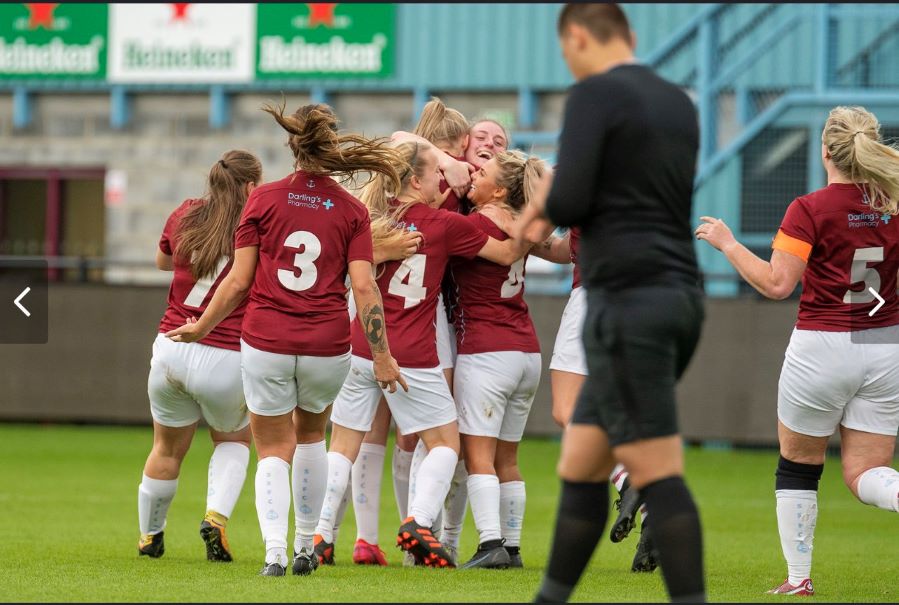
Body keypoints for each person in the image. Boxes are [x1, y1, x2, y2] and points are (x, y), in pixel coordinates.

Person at [514, 4, 706, 602]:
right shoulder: (678, 101)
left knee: (658, 470)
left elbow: (569, 201)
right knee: (583, 464)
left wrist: (539, 198)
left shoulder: (594, 95)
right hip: (679, 295)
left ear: (576, 36)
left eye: (565, 49)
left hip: (629, 300)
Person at [166, 102, 406, 577]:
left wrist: (200, 326)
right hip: (327, 346)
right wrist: (382, 356)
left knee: (272, 448)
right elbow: (364, 287)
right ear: (329, 147)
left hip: (267, 342)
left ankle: (275, 554)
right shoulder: (352, 209)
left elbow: (237, 282)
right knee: (313, 437)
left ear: (292, 146)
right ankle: (304, 548)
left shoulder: (264, 199)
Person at [695, 105, 899, 596]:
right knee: (867, 473)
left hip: (822, 345)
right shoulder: (894, 205)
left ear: (825, 150)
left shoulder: (809, 208)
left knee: (799, 465)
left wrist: (726, 243)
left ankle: (798, 579)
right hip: (884, 344)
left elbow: (776, 283)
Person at [313, 140, 528, 569]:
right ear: (415, 179)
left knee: (342, 445)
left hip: (360, 346)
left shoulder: (367, 218)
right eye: (436, 173)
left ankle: (321, 534)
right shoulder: (445, 224)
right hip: (411, 351)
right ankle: (418, 523)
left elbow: (336, 260)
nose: (443, 180)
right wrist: (535, 217)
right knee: (446, 443)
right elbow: (506, 252)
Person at [138, 150, 261, 563]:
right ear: (249, 186)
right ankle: (215, 519)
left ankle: (149, 535)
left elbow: (162, 262)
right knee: (234, 439)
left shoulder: (186, 213)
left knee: (166, 449)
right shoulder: (257, 224)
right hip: (225, 353)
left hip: (171, 347)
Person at [449, 151, 547, 569]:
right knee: (509, 459)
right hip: (526, 351)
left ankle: (489, 543)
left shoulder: (476, 225)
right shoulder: (526, 226)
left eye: (483, 172)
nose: (474, 174)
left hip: (487, 350)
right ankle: (512, 545)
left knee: (479, 456)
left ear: (501, 189)